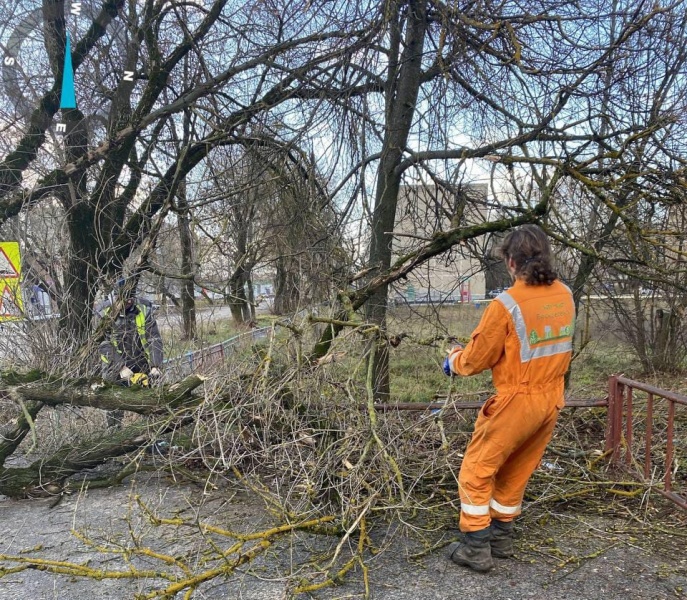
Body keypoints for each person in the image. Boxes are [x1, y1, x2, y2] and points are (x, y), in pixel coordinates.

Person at [442, 224, 575, 572]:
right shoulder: (565, 294)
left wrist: (453, 359)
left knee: (476, 469)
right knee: (517, 469)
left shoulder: (506, 305)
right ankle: (501, 536)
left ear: (511, 261)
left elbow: (476, 359)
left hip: (518, 399)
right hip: (552, 398)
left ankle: (475, 545)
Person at [97, 280, 163, 428]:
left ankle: (152, 436)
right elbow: (103, 344)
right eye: (124, 299)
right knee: (114, 406)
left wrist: (155, 365)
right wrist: (120, 367)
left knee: (151, 404)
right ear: (116, 297)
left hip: (141, 363)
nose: (128, 302)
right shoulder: (103, 312)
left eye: (130, 298)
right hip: (113, 367)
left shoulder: (144, 308)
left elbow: (154, 338)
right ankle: (116, 438)